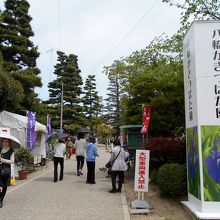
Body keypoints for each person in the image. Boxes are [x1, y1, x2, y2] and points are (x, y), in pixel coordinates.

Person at [0, 138, 14, 208]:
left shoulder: (11, 151)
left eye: (6, 142)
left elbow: (12, 161)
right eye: (3, 141)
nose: (5, 143)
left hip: (6, 170)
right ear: (1, 142)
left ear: (9, 142)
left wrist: (2, 160)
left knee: (4, 186)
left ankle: (1, 200)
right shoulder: (0, 149)